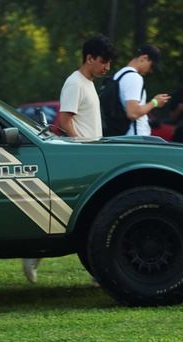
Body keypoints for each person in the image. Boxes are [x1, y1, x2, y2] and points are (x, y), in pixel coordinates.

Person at [23, 35, 116, 284]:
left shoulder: (88, 83)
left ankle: (96, 270)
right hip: (84, 159)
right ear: (89, 58)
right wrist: (82, 149)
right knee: (85, 218)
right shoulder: (75, 83)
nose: (107, 67)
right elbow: (65, 121)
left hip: (93, 157)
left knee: (88, 218)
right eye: (104, 61)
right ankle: (34, 253)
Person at [114, 44, 170, 136]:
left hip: (125, 135)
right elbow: (133, 113)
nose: (151, 71)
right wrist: (155, 102)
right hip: (136, 137)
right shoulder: (134, 77)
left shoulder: (119, 75)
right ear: (144, 58)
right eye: (152, 66)